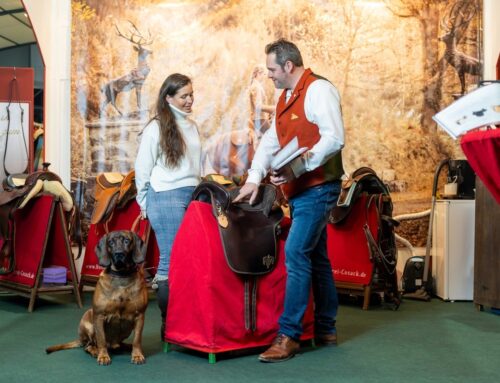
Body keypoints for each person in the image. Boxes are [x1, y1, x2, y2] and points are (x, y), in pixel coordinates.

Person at [234, 39, 345, 362]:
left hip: (320, 187)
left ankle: (289, 335)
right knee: (317, 256)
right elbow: (272, 139)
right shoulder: (284, 96)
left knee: (296, 253)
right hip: (301, 190)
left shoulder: (319, 90)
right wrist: (254, 178)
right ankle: (326, 327)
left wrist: (299, 166)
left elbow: (334, 137)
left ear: (288, 67)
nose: (268, 74)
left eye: (271, 69)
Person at [135, 73, 201, 340]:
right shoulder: (156, 127)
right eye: (184, 96)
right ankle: (168, 325)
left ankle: (185, 321)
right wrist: (144, 203)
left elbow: (196, 165)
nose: (189, 100)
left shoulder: (193, 126)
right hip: (165, 196)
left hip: (192, 195)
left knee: (190, 260)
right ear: (169, 97)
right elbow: (143, 168)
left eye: (191, 95)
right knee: (170, 261)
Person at [248, 64, 275, 140]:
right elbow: (258, 106)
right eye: (264, 74)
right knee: (274, 138)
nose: (265, 76)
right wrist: (273, 109)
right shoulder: (256, 87)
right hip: (259, 119)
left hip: (260, 118)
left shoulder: (256, 86)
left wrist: (269, 113)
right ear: (258, 73)